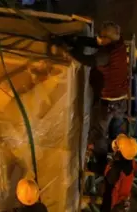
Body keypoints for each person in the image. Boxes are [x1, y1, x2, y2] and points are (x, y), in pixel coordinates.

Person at [53, 21, 130, 175]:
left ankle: (101, 165)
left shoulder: (106, 54)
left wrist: (67, 48)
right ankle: (119, 158)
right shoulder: (119, 45)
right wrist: (76, 40)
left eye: (102, 37)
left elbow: (87, 61)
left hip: (108, 102)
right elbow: (95, 43)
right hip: (122, 100)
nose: (99, 39)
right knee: (116, 132)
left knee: (100, 133)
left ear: (108, 39)